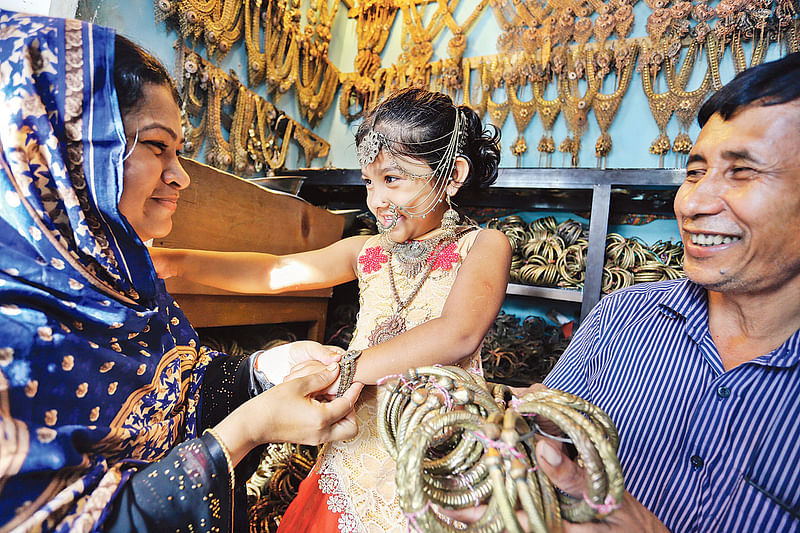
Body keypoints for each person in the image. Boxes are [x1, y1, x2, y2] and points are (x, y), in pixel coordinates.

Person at [0, 11, 362, 533]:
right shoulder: (15, 327)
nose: (181, 177)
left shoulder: (122, 281)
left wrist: (263, 368)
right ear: (67, 153)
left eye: (179, 151)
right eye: (155, 147)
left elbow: (177, 388)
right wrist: (247, 429)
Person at [150, 87, 512, 530]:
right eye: (368, 181)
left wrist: (343, 371)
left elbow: (457, 333)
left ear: (452, 175)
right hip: (354, 446)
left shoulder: (484, 247)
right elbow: (276, 273)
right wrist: (177, 261)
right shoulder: (366, 251)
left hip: (437, 453)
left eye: (392, 179)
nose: (375, 199)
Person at [469, 52, 800, 532]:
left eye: (742, 172)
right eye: (694, 171)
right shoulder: (620, 317)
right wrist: (524, 428)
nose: (692, 202)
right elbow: (548, 448)